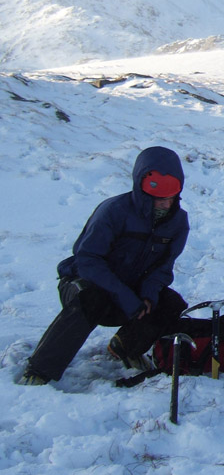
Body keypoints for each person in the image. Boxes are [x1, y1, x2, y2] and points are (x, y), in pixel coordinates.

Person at [18, 146, 190, 385]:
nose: (163, 204)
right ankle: (40, 369)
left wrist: (148, 295)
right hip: (85, 284)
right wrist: (126, 297)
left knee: (170, 303)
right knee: (91, 297)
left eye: (169, 197)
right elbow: (86, 260)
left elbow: (163, 267)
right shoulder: (114, 211)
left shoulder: (178, 223)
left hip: (132, 292)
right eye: (158, 197)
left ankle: (125, 347)